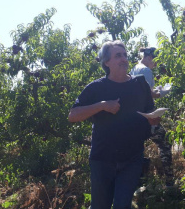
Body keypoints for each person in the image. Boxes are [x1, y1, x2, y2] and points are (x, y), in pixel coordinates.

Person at [68, 40, 161, 209]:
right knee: (99, 206)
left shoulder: (140, 84)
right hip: (102, 160)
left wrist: (154, 120)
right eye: (118, 55)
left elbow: (150, 111)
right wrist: (102, 105)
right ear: (106, 62)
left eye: (125, 55)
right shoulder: (96, 88)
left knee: (121, 205)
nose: (124, 59)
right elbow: (73, 115)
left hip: (132, 158)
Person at [130, 47, 174, 186]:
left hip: (133, 116)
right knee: (165, 143)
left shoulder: (134, 69)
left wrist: (156, 89)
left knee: (137, 149)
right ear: (150, 57)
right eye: (155, 62)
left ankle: (140, 183)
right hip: (147, 116)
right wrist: (162, 93)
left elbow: (140, 91)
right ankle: (169, 182)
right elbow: (149, 94)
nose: (155, 65)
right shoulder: (146, 71)